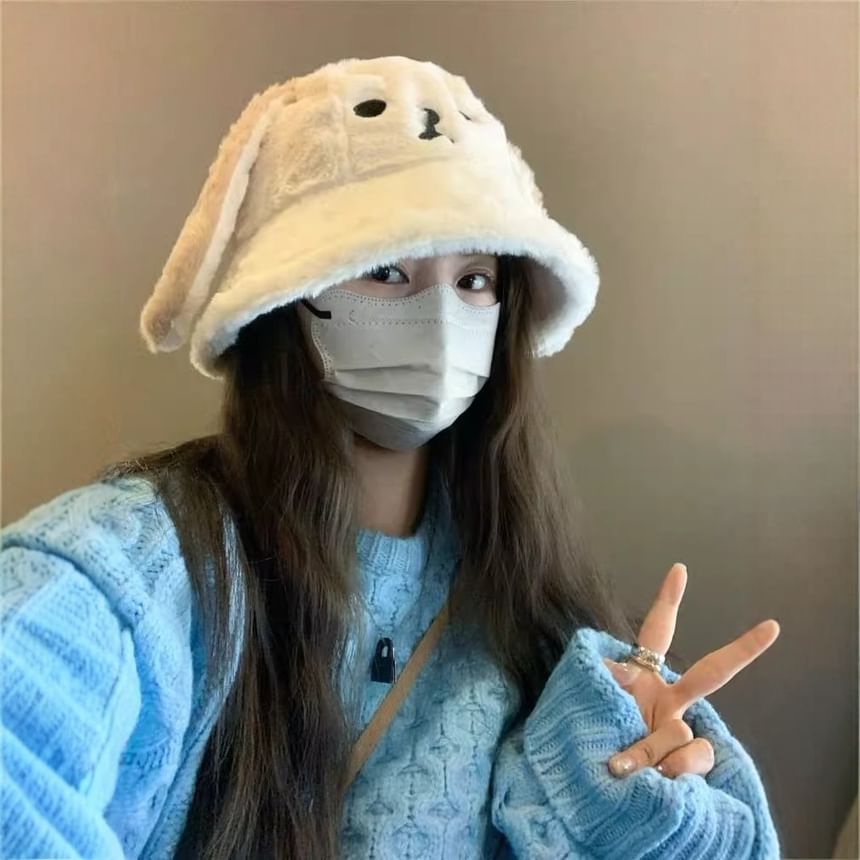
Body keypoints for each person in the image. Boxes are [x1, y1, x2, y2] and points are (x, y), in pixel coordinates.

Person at [0, 55, 782, 859]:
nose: (440, 320)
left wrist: (628, 806)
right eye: (385, 270)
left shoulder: (537, 617)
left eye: (474, 278)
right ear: (282, 299)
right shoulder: (144, 570)